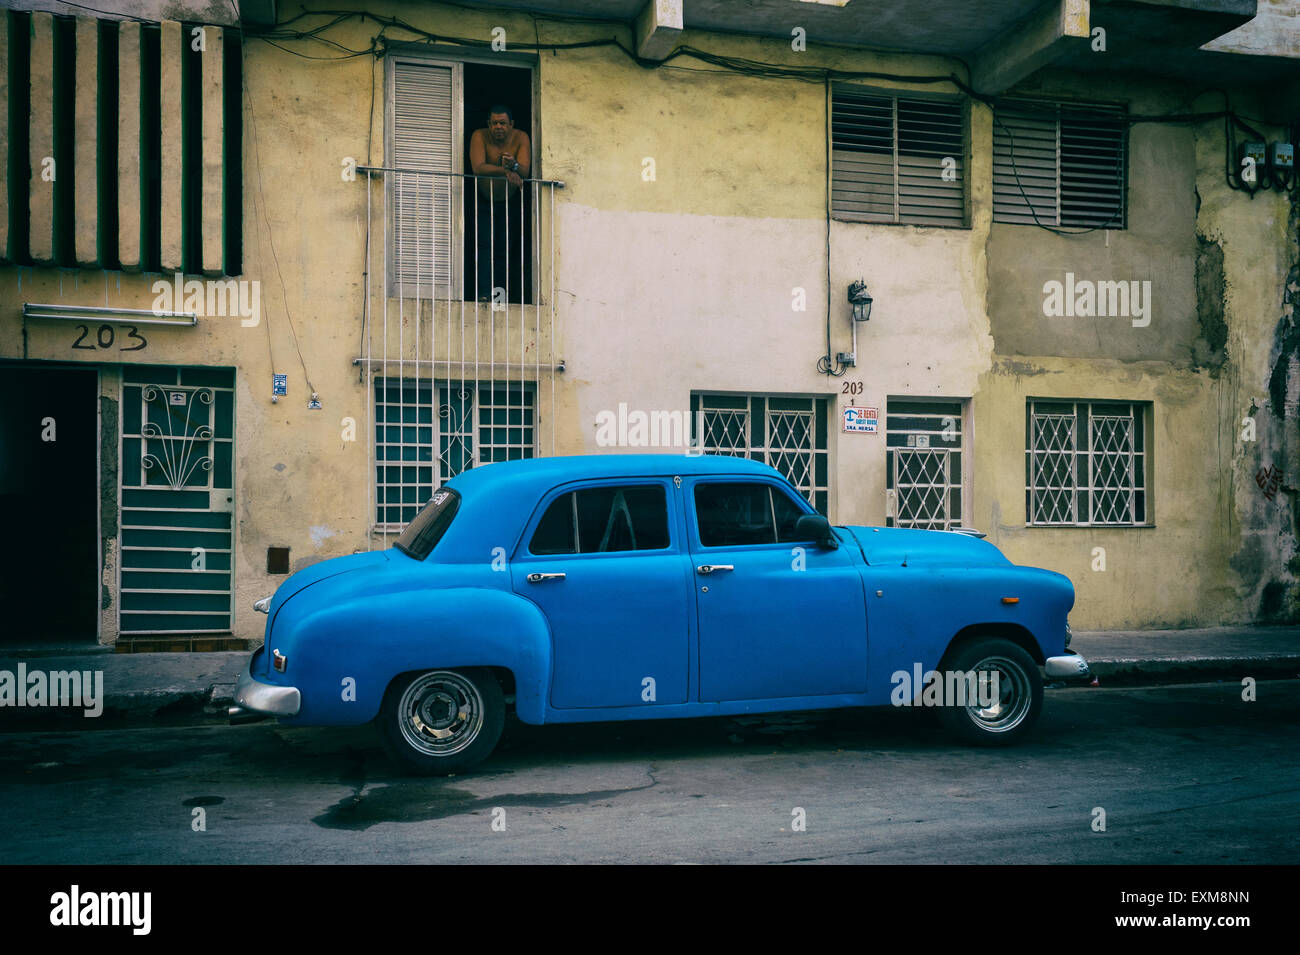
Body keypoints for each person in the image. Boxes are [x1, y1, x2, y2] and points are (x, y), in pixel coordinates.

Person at [468, 105, 531, 302]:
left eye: (503, 123)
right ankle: (484, 294)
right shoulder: (479, 135)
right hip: (483, 201)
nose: (498, 127)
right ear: (488, 124)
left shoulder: (521, 138)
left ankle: (499, 299)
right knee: (483, 247)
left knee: (504, 249)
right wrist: (505, 172)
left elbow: (525, 171)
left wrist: (512, 165)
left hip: (509, 202)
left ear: (511, 125)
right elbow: (478, 167)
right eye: (494, 123)